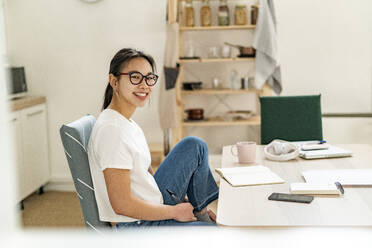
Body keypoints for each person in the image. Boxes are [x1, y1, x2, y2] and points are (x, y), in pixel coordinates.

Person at [88, 48, 219, 228]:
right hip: (138, 224)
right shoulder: (112, 131)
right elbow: (121, 204)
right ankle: (200, 221)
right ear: (114, 81)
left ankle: (200, 212)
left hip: (152, 204)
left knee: (194, 145)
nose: (144, 85)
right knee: (216, 233)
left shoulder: (126, 123)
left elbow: (146, 176)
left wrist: (193, 209)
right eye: (135, 77)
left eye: (149, 78)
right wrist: (175, 211)